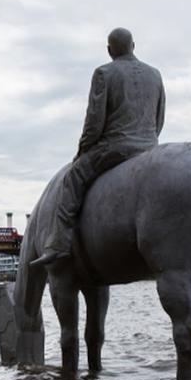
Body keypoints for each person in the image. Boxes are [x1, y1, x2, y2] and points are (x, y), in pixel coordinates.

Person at [31, 27, 166, 267]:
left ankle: (59, 244)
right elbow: (160, 118)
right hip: (149, 147)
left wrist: (82, 152)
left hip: (115, 147)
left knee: (72, 178)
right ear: (134, 46)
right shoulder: (155, 74)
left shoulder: (104, 73)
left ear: (109, 50)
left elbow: (94, 123)